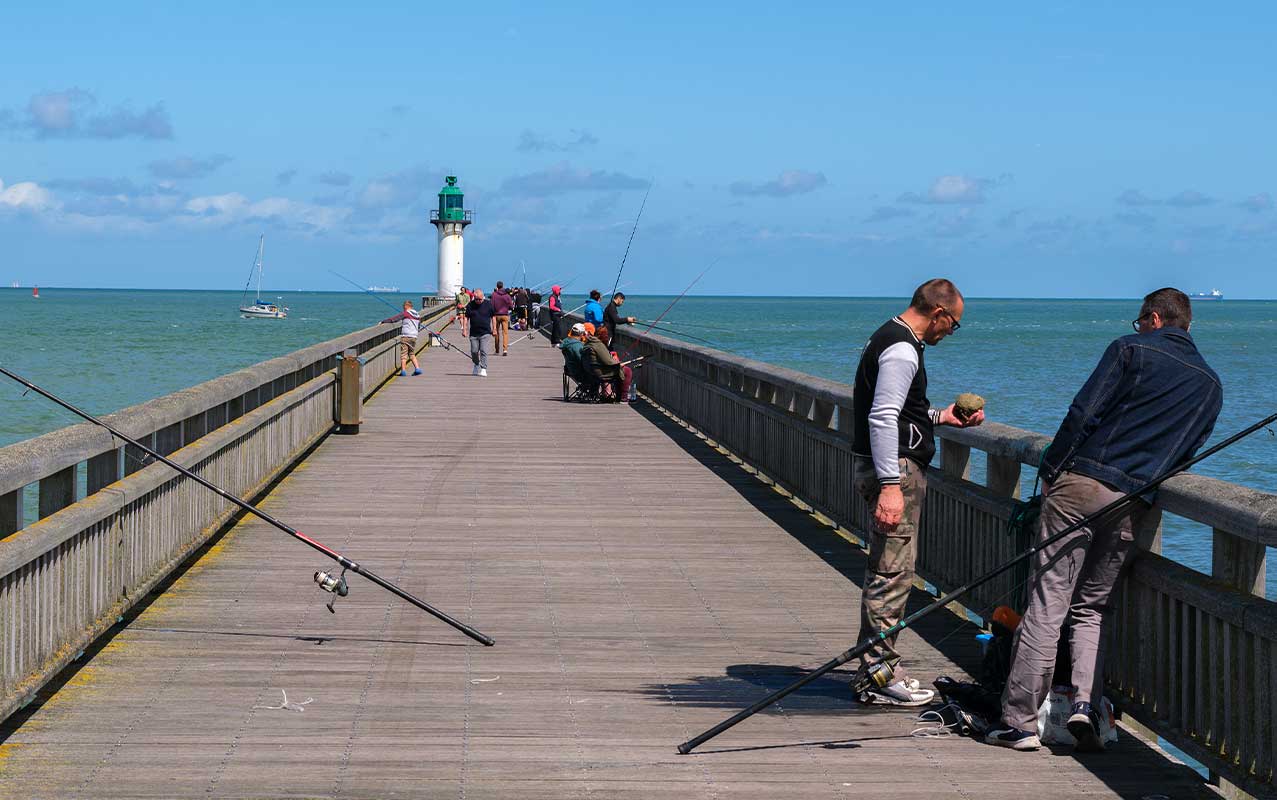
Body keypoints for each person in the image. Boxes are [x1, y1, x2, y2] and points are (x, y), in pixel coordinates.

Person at [986, 288, 1222, 752]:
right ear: (1187, 325)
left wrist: (1052, 470)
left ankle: (1017, 722)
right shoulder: (1211, 386)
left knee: (1048, 604)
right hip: (1134, 501)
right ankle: (1085, 704)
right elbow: (1187, 452)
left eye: (1141, 321)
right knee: (1092, 608)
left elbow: (1083, 413)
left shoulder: (1129, 349)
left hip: (1082, 484)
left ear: (1153, 318)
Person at [850, 278, 983, 706]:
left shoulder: (887, 337)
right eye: (954, 324)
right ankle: (878, 673)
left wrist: (941, 417)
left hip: (888, 465)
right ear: (939, 313)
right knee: (891, 574)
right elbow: (882, 417)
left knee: (889, 570)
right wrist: (891, 485)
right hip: (895, 471)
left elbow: (901, 410)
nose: (950, 332)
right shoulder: (904, 349)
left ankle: (876, 666)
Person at [582, 324, 633, 403]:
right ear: (604, 336)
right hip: (600, 373)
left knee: (620, 369)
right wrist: (617, 362)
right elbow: (608, 361)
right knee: (627, 371)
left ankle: (617, 397)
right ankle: (623, 398)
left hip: (591, 371)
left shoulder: (589, 343)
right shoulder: (598, 345)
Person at [381, 300, 423, 377]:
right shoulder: (417, 315)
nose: (403, 309)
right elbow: (418, 326)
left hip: (406, 336)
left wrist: (383, 321)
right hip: (414, 336)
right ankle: (417, 369)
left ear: (406, 306)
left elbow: (394, 319)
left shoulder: (406, 313)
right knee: (412, 353)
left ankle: (403, 371)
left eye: (404, 308)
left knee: (404, 354)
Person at [466, 288, 496, 377]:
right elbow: (466, 317)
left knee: (483, 350)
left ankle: (483, 368)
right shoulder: (470, 305)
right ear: (474, 298)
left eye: (480, 299)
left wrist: (494, 329)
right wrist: (464, 329)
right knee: (474, 351)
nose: (478, 301)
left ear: (483, 297)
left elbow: (493, 317)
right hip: (473, 333)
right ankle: (476, 364)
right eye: (476, 299)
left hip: (485, 332)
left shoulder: (488, 304)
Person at [491, 281, 514, 356]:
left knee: (496, 332)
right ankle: (505, 350)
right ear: (503, 286)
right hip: (505, 315)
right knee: (505, 333)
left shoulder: (494, 294)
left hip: (496, 315)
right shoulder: (507, 295)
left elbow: (492, 305)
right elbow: (511, 306)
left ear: (497, 286)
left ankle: (497, 350)